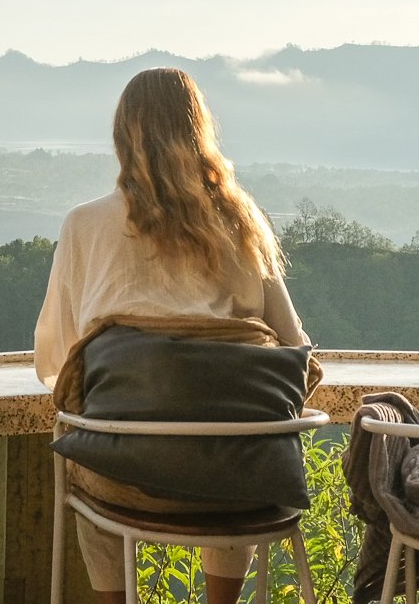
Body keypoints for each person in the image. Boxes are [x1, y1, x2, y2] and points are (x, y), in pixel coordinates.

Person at [34, 67, 309, 604]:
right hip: (243, 486)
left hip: (124, 484)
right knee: (231, 452)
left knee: (89, 450)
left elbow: (59, 362)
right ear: (201, 134)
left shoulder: (84, 226)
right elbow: (295, 347)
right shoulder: (243, 223)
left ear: (121, 138)